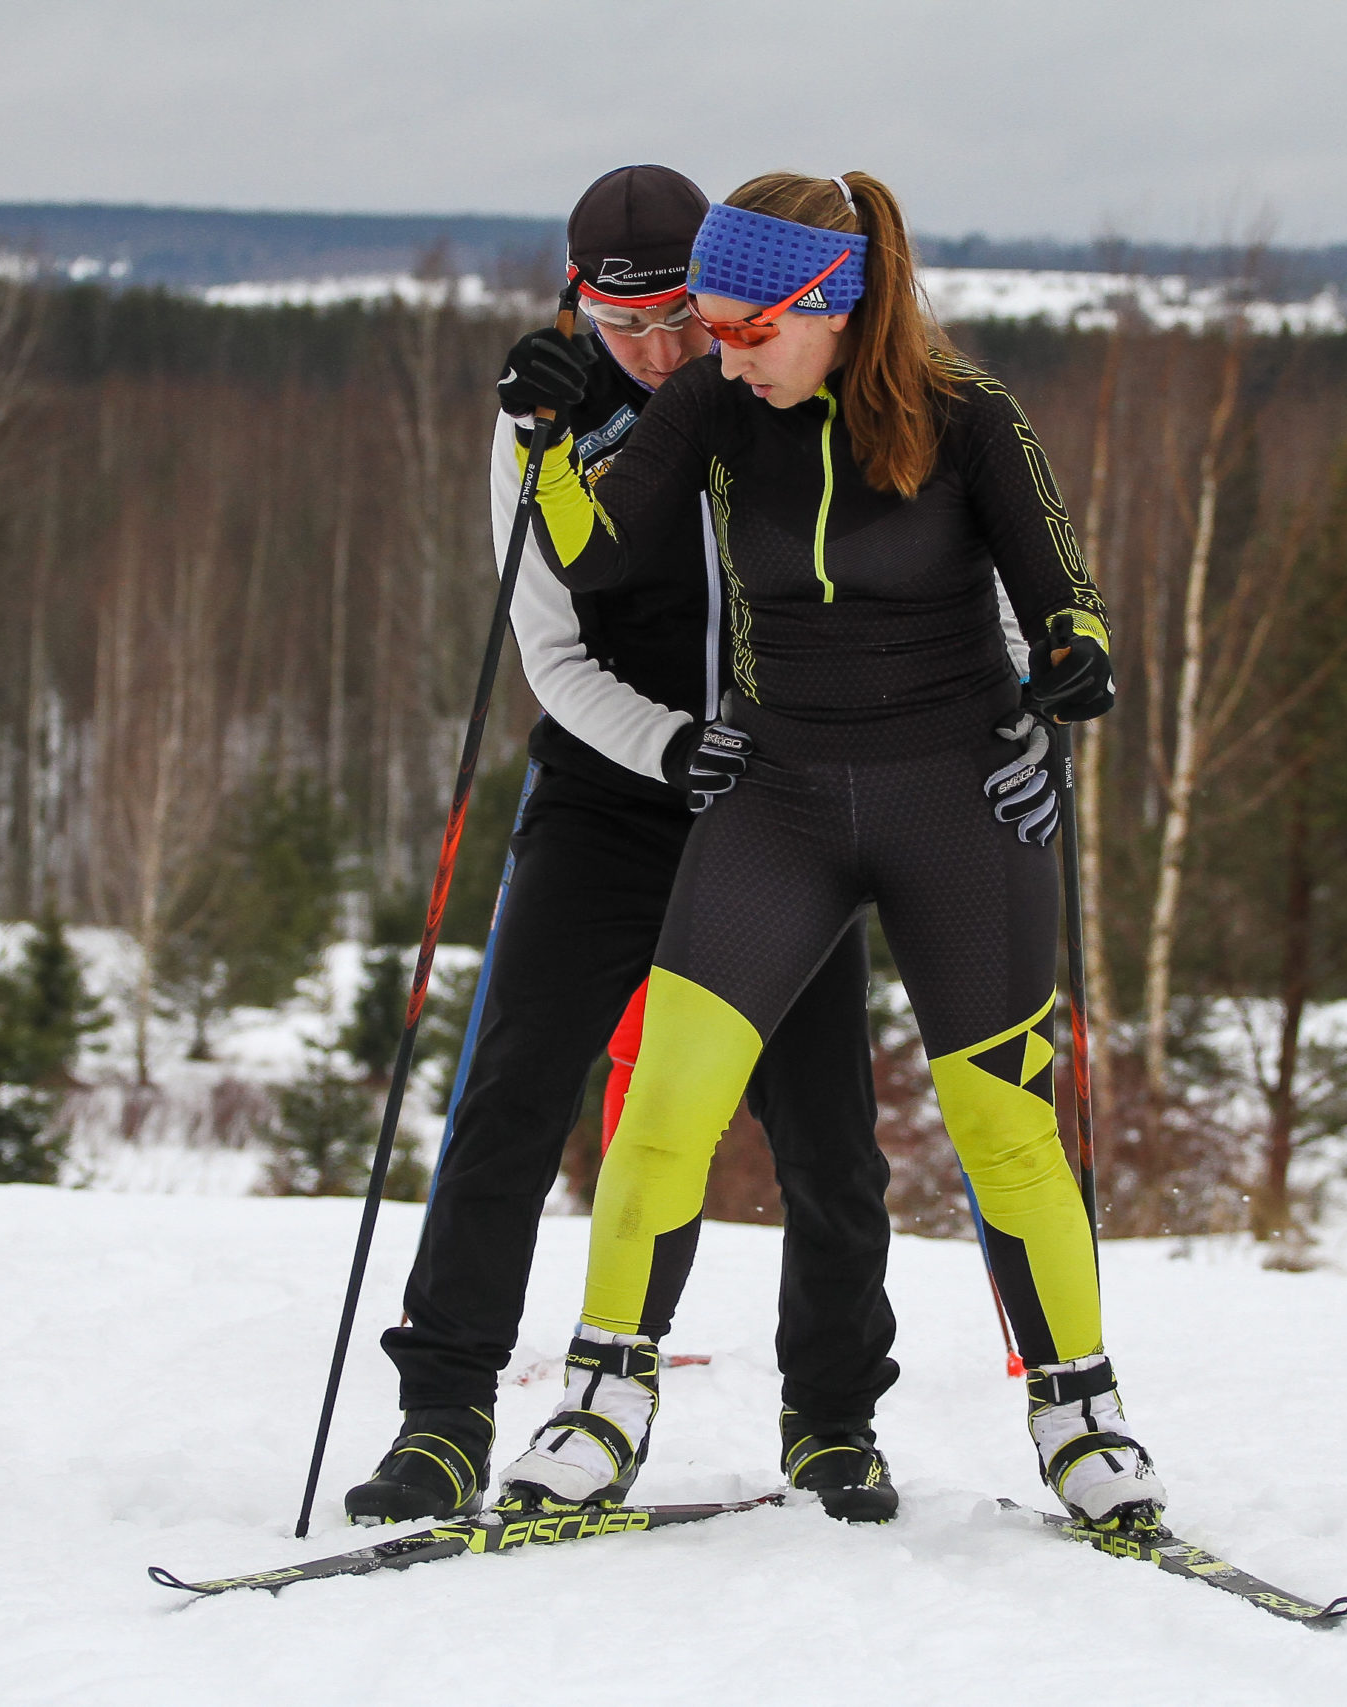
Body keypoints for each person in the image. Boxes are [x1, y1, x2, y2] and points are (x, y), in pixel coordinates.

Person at [493, 170, 1164, 1527]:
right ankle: (602, 1401)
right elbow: (598, 556)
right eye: (713, 327)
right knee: (666, 1101)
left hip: (958, 804)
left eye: (749, 328)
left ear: (835, 305)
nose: (721, 353)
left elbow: (1064, 593)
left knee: (1002, 1126)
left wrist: (1074, 673)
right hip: (782, 796)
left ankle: (1082, 1418)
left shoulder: (972, 417)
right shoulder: (716, 403)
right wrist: (546, 440)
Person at [348, 165, 929, 1527]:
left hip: (783, 808)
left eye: (682, 318)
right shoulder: (541, 426)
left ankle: (833, 1421)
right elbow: (548, 654)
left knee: (829, 1138)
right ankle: (443, 1417)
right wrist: (671, 746)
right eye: (627, 331)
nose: (663, 353)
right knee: (510, 1096)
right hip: (613, 793)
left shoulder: (774, 387)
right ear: (577, 307)